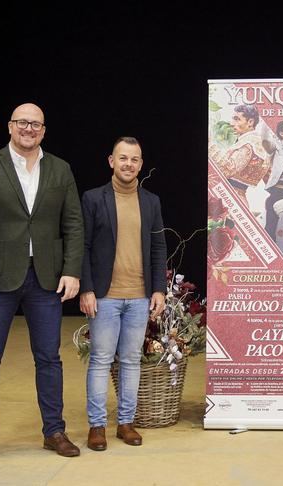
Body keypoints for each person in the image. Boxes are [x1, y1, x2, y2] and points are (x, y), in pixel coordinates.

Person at [0, 103, 84, 465]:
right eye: (22, 122)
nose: (29, 128)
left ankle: (54, 432)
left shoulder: (60, 169)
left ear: (43, 130)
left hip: (46, 279)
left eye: (36, 124)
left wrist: (72, 270)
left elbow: (73, 225)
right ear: (10, 126)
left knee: (49, 359)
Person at [79, 137, 167, 451]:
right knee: (101, 361)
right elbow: (83, 247)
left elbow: (158, 248)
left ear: (141, 164)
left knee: (131, 361)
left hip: (140, 296)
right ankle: (97, 426)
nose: (128, 164)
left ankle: (126, 423)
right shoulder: (92, 198)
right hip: (104, 296)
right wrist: (86, 288)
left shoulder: (151, 201)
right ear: (111, 161)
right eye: (123, 158)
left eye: (135, 159)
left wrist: (159, 289)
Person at [208, 104, 271, 205]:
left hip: (229, 199)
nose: (232, 123)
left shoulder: (248, 144)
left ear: (250, 122)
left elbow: (229, 169)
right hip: (238, 198)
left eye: (237, 119)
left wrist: (210, 145)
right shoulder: (259, 144)